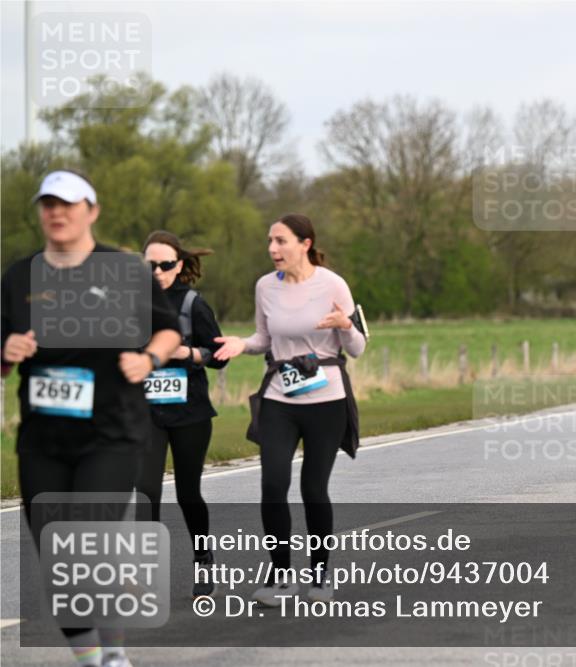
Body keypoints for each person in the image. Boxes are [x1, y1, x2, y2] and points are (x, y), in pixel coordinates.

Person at [1, 170, 180, 667]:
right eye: (48, 204)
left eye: (69, 204)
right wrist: (5, 350)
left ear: (91, 211)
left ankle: (115, 656)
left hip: (112, 435)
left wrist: (149, 360)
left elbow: (166, 332)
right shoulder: (19, 276)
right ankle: (92, 657)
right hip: (42, 439)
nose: (57, 213)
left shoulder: (123, 271)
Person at [213, 213, 366, 603]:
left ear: (305, 244)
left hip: (326, 399)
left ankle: (319, 576)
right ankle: (281, 577)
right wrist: (240, 344)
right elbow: (265, 338)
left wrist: (346, 325)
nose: (272, 249)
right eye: (269, 241)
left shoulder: (333, 284)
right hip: (280, 397)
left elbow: (358, 348)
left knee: (313, 489)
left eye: (280, 241)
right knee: (272, 485)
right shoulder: (265, 286)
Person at [135, 231, 227, 598]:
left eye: (166, 264)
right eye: (150, 265)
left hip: (190, 413)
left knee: (188, 493)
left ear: (180, 265)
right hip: (145, 413)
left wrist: (185, 355)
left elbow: (220, 353)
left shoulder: (192, 303)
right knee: (146, 492)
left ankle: (203, 561)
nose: (157, 271)